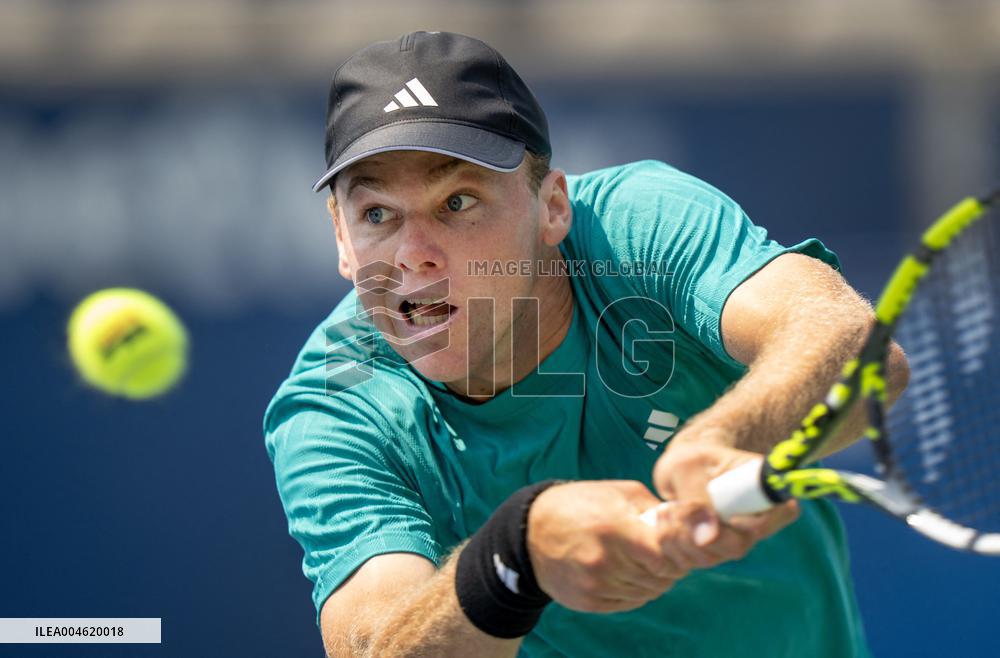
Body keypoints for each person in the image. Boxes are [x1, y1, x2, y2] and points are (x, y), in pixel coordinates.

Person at [264, 31, 908, 658]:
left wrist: (728, 436)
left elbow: (858, 348)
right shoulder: (333, 403)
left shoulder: (639, 223)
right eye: (377, 215)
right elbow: (375, 645)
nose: (413, 257)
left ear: (552, 207)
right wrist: (517, 556)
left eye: (457, 201)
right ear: (342, 242)